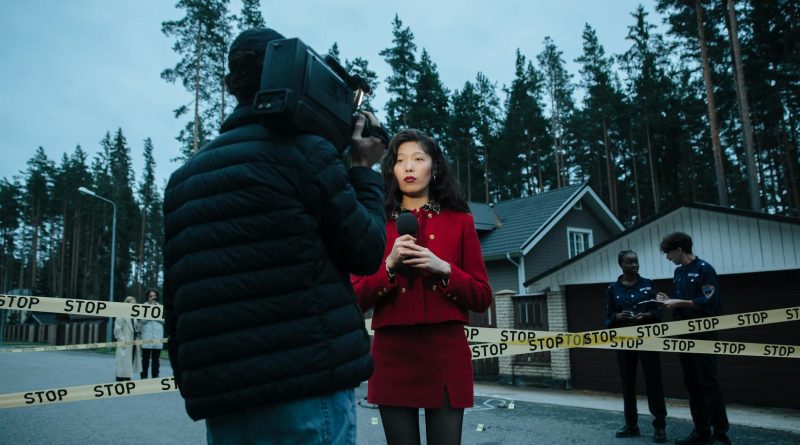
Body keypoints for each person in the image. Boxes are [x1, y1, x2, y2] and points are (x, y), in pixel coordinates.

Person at [162, 27, 387, 444]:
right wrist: (363, 171)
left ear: (233, 85)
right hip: (307, 386)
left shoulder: (182, 180)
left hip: (224, 400)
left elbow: (176, 301)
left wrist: (197, 381)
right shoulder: (306, 155)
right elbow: (368, 250)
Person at [352, 129, 493, 445]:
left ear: (435, 167)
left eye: (418, 159)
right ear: (391, 170)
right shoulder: (375, 222)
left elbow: (482, 297)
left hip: (446, 354)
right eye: (400, 160)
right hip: (392, 355)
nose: (409, 167)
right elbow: (354, 297)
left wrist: (444, 269)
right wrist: (389, 267)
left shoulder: (460, 221)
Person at [656, 232, 731, 445]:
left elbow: (710, 303)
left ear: (679, 250)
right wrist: (670, 300)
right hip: (684, 333)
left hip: (704, 334)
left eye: (669, 253)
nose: (668, 258)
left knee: (708, 382)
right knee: (692, 383)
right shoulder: (679, 272)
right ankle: (701, 432)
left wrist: (679, 303)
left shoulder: (704, 270)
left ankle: (720, 435)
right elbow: (685, 300)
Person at [605, 250, 667, 443]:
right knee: (628, 382)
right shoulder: (613, 289)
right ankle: (631, 424)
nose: (634, 265)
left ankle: (659, 426)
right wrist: (618, 317)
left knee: (653, 380)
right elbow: (608, 317)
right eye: (630, 262)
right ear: (621, 265)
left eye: (636, 262)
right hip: (625, 340)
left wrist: (646, 316)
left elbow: (659, 311)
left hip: (647, 340)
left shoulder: (649, 285)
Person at [114, 296, 142, 382]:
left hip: (133, 342)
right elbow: (117, 330)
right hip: (125, 342)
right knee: (123, 363)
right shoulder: (121, 315)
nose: (133, 305)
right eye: (131, 303)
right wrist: (123, 341)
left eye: (134, 304)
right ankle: (120, 379)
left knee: (130, 361)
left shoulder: (134, 315)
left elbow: (135, 328)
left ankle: (127, 378)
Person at [139, 289, 164, 379]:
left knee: (156, 360)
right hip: (147, 337)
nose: (153, 298)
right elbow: (142, 321)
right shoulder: (143, 307)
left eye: (154, 296)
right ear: (147, 297)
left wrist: (156, 315)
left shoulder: (161, 307)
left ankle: (155, 377)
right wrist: (151, 312)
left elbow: (164, 321)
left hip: (158, 337)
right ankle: (144, 377)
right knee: (145, 360)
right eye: (151, 296)